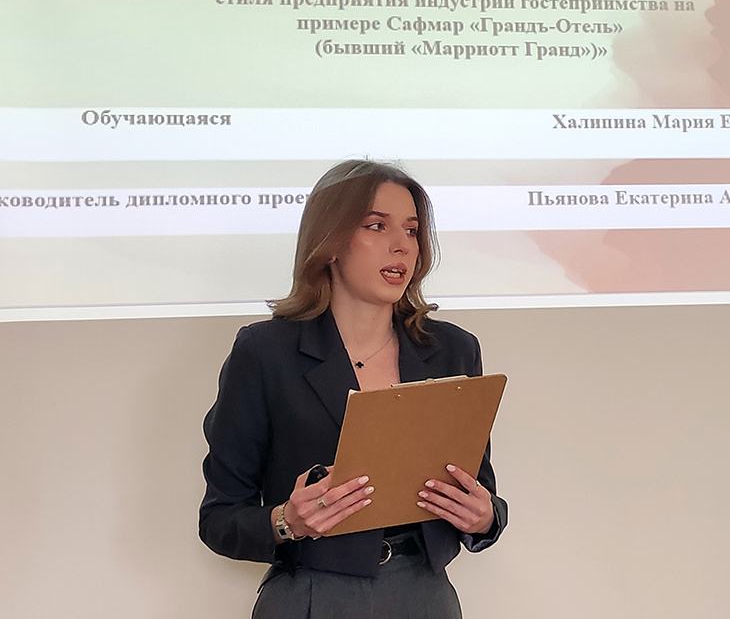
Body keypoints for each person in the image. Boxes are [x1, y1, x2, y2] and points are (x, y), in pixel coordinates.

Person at [199, 160, 507, 618]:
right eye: (377, 226)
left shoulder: (454, 350)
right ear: (330, 243)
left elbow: (481, 491)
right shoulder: (265, 352)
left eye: (411, 230)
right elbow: (219, 519)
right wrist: (287, 521)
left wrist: (484, 518)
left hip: (425, 595)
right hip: (311, 594)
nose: (402, 245)